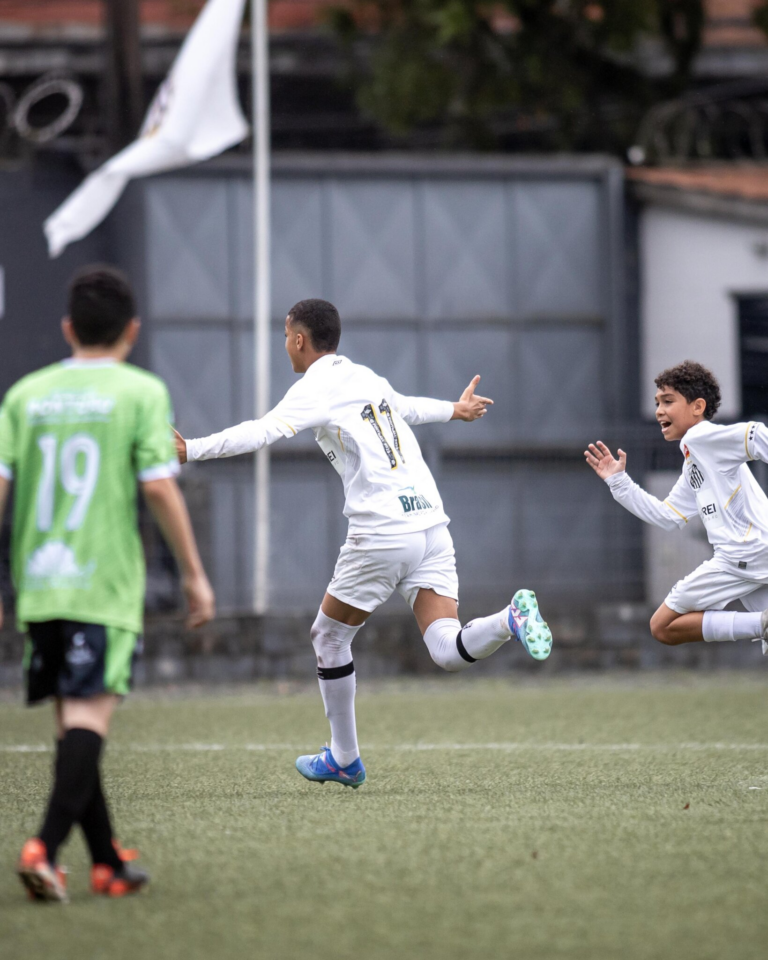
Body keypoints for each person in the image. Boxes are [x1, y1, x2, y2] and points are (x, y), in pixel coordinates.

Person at [174, 298, 552, 790]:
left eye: (285, 334)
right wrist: (455, 411)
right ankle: (510, 619)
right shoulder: (365, 378)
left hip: (382, 532)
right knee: (444, 648)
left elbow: (262, 431)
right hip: (430, 526)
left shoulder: (315, 387)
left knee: (328, 637)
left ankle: (345, 758)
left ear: (298, 338)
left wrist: (192, 448)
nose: (285, 343)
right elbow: (407, 408)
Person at [0, 265, 215, 902]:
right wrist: (195, 578)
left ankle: (108, 866)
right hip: (101, 586)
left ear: (68, 327)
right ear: (132, 330)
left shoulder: (24, 394)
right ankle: (42, 849)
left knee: (75, 725)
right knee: (89, 719)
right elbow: (156, 485)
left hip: (39, 584)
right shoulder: (141, 392)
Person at [585, 359, 768, 654]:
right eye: (657, 402)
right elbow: (668, 516)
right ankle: (761, 624)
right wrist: (618, 482)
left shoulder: (702, 437)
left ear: (697, 407)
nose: (659, 410)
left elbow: (757, 434)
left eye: (668, 401)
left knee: (663, 626)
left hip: (743, 556)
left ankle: (761, 625)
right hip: (755, 555)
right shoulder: (694, 459)